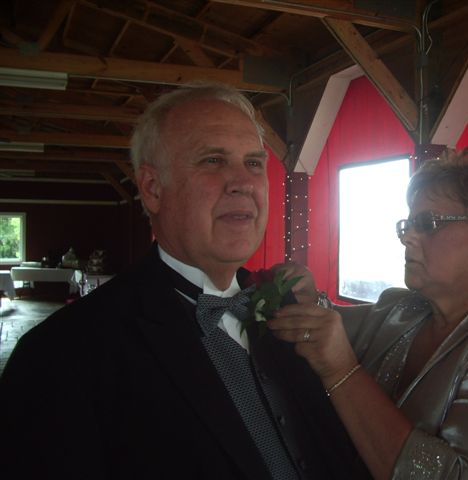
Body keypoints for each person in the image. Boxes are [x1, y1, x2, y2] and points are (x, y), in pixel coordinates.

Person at [0, 84, 357, 479]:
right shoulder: (60, 355)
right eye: (213, 160)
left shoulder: (292, 312)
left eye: (254, 163)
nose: (243, 182)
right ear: (153, 189)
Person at [270, 147, 468, 479]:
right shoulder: (404, 308)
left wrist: (343, 373)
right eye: (408, 225)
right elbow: (332, 324)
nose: (408, 238)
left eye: (429, 224)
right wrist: (308, 298)